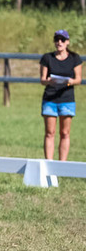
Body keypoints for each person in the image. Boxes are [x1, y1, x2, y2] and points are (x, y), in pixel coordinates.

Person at [39, 29, 82, 161]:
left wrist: (69, 82)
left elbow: (78, 79)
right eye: (57, 39)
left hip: (67, 99)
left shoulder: (75, 58)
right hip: (50, 99)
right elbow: (42, 79)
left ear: (67, 42)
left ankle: (62, 165)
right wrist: (49, 81)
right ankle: (49, 164)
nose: (59, 42)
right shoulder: (47, 58)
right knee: (50, 133)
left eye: (62, 40)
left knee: (64, 133)